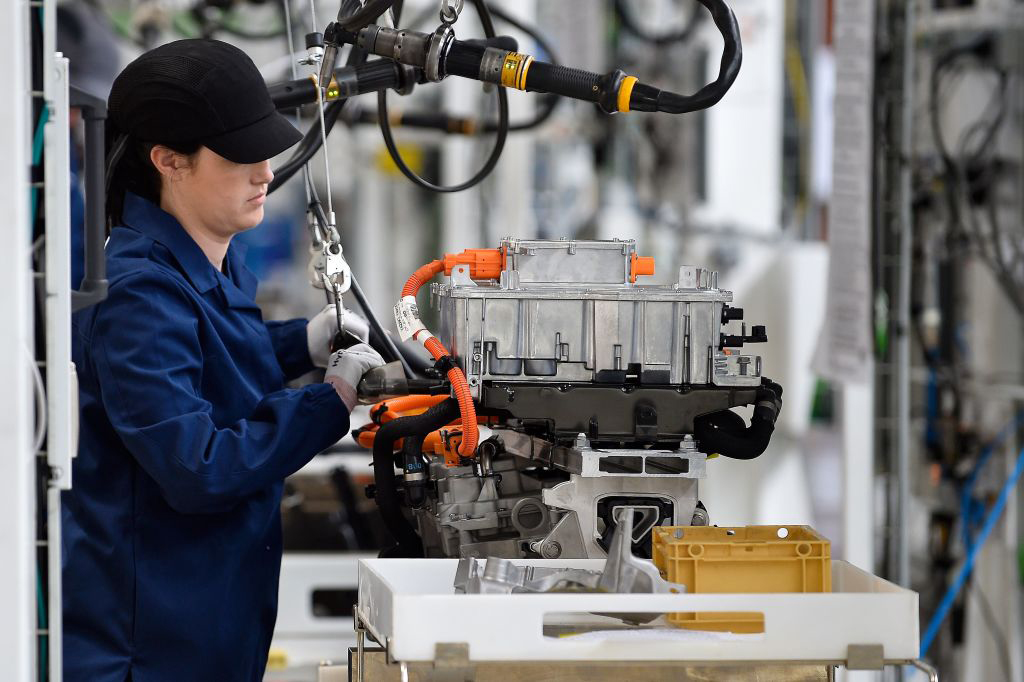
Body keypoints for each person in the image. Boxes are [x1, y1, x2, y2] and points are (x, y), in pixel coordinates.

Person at [62, 39, 384, 682]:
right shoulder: (137, 295)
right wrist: (331, 402)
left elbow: (202, 361)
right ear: (169, 160)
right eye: (240, 155)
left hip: (207, 632)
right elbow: (198, 465)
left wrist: (305, 343)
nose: (265, 171)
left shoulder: (209, 256)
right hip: (148, 652)